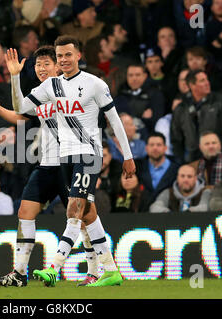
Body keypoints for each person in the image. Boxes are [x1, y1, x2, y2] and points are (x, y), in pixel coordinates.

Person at [16, 35, 136, 287]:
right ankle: (111, 270)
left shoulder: (95, 84)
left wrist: (127, 155)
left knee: (74, 208)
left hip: (88, 154)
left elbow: (114, 120)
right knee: (87, 212)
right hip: (65, 158)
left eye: (68, 55)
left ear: (78, 55)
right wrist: (16, 77)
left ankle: (54, 268)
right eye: (60, 56)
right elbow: (22, 109)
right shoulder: (52, 85)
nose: (64, 60)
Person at [0, 45, 101, 287]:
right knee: (25, 213)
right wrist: (3, 102)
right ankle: (19, 272)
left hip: (70, 164)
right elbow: (21, 115)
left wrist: (91, 161)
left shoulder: (70, 91)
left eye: (46, 64)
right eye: (38, 64)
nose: (40, 68)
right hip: (46, 165)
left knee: (83, 218)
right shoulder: (40, 93)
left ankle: (94, 269)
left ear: (58, 65)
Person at [170, 69, 222, 163]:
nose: (207, 83)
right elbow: (176, 137)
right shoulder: (182, 108)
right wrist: (181, 160)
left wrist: (218, 152)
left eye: (207, 79)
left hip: (217, 157)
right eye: (202, 81)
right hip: (191, 160)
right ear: (192, 85)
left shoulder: (220, 102)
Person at [135, 132, 180, 212]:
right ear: (146, 148)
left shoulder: (177, 169)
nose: (155, 148)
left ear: (165, 148)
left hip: (169, 216)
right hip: (142, 216)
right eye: (152, 145)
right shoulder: (137, 167)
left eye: (159, 145)